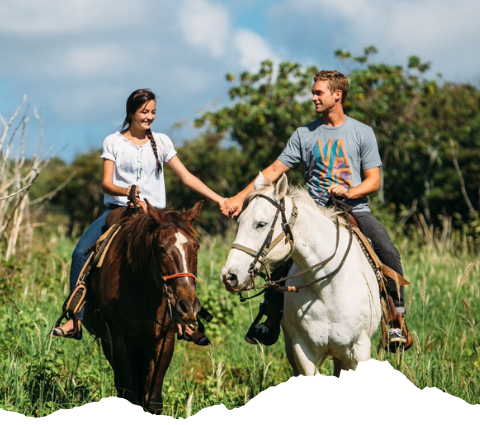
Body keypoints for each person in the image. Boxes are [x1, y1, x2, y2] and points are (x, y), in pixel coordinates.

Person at [221, 70, 411, 350]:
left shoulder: (361, 132)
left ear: (338, 94)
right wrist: (240, 197)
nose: (313, 98)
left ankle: (395, 322)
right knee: (279, 262)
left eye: (318, 92)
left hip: (353, 209)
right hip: (315, 214)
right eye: (313, 92)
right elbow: (273, 171)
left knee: (388, 253)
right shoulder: (304, 134)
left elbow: (373, 180)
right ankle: (270, 319)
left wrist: (350, 191)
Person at [53, 88, 227, 345]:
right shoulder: (113, 142)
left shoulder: (163, 142)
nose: (149, 117)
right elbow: (106, 183)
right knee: (80, 253)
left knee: (180, 256)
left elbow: (186, 176)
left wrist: (219, 199)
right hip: (120, 210)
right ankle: (75, 318)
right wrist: (127, 190)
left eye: (153, 112)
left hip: (156, 216)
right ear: (131, 113)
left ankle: (187, 320)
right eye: (144, 112)